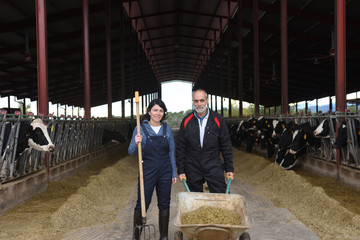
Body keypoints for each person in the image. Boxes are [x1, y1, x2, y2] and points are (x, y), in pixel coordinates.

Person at [128, 98, 176, 240]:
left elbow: (171, 152)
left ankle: (164, 236)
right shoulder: (140, 128)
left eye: (161, 111)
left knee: (164, 203)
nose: (158, 113)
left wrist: (173, 172)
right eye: (155, 110)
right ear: (149, 112)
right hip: (147, 170)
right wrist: (136, 143)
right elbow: (131, 152)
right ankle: (136, 236)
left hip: (165, 170)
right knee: (142, 202)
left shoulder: (167, 129)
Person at [176, 88, 234, 193]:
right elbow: (181, 147)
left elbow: (226, 145)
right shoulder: (186, 121)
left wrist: (229, 168)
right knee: (194, 200)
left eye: (202, 100)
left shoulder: (218, 119)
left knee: (221, 197)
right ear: (193, 102)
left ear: (207, 101)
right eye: (196, 101)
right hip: (192, 166)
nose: (199, 104)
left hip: (213, 164)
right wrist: (181, 170)